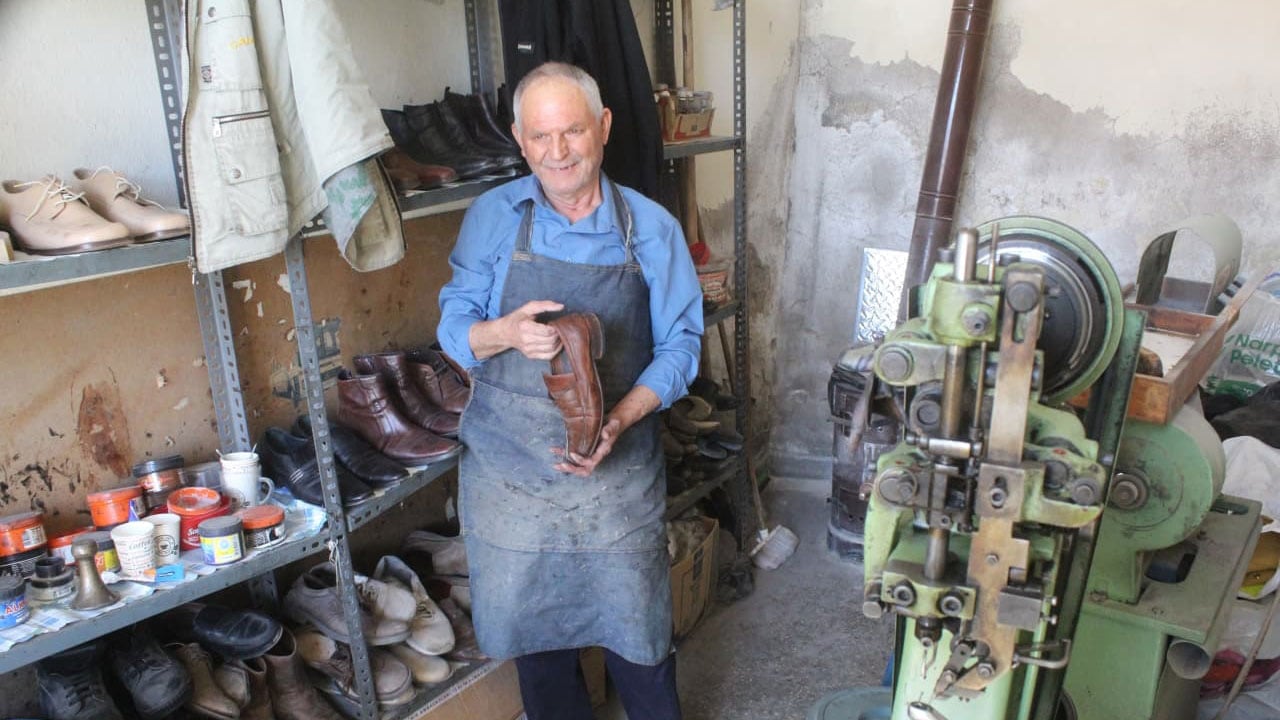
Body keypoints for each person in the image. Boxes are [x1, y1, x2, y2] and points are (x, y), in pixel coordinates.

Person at [436, 62, 702, 719]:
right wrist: (503, 333)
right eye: (541, 136)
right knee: (538, 639)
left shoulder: (651, 229)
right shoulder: (493, 218)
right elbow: (452, 327)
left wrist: (622, 417)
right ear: (520, 140)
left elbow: (682, 347)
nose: (558, 152)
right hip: (514, 475)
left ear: (604, 127)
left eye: (573, 132)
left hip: (616, 478)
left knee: (638, 633)